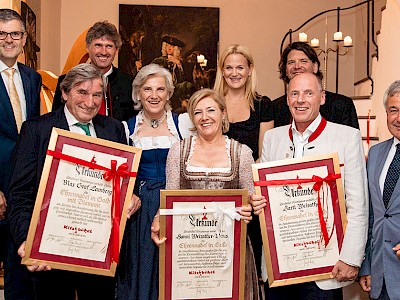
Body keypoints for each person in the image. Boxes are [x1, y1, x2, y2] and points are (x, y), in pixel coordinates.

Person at [7, 63, 139, 300]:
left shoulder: (113, 129)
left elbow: (125, 181)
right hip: (50, 252)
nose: (90, 102)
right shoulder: (37, 130)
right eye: (82, 92)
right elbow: (20, 194)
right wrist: (27, 240)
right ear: (65, 93)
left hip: (99, 251)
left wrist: (131, 196)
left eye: (97, 94)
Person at [253, 73, 368, 299]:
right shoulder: (272, 138)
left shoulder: (346, 137)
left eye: (308, 93)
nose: (300, 100)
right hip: (281, 266)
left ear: (322, 98)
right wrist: (257, 201)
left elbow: (358, 205)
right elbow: (264, 196)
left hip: (327, 269)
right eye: (294, 93)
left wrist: (351, 258)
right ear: (287, 99)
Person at [151, 88, 262, 300]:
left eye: (210, 110)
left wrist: (249, 207)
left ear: (223, 113)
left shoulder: (242, 153)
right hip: (188, 250)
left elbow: (250, 198)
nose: (204, 117)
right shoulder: (179, 151)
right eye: (198, 112)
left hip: (229, 249)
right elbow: (170, 196)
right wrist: (158, 220)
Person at [116, 64, 192, 300]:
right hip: (141, 209)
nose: (154, 95)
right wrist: (128, 194)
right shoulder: (126, 128)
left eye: (160, 89)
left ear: (169, 93)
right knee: (143, 269)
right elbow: (120, 172)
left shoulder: (184, 123)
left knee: (176, 270)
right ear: (138, 93)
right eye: (147, 89)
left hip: (177, 202)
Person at [214, 44, 274, 285]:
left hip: (250, 197)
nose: (234, 73)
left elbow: (264, 154)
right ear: (222, 71)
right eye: (228, 67)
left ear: (250, 69)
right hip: (216, 193)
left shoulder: (262, 104)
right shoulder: (213, 102)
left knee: (248, 265)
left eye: (240, 67)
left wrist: (245, 189)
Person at [0, 8, 41, 300]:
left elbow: (33, 134)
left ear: (24, 38)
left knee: (20, 271)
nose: (8, 39)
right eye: (2, 34)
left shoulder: (32, 77)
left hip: (23, 190)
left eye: (15, 33)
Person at [359, 80, 400, 300]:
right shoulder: (375, 154)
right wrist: (366, 265)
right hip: (380, 275)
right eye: (394, 110)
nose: (399, 118)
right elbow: (371, 214)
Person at [52, 21, 136, 121]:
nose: (104, 52)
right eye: (98, 45)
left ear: (116, 50)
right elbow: (56, 120)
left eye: (109, 46)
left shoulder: (130, 83)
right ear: (87, 47)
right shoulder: (65, 81)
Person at [272, 42, 359, 129]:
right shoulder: (275, 108)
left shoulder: (342, 105)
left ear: (315, 67)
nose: (297, 66)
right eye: (291, 62)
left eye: (303, 61)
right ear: (286, 70)